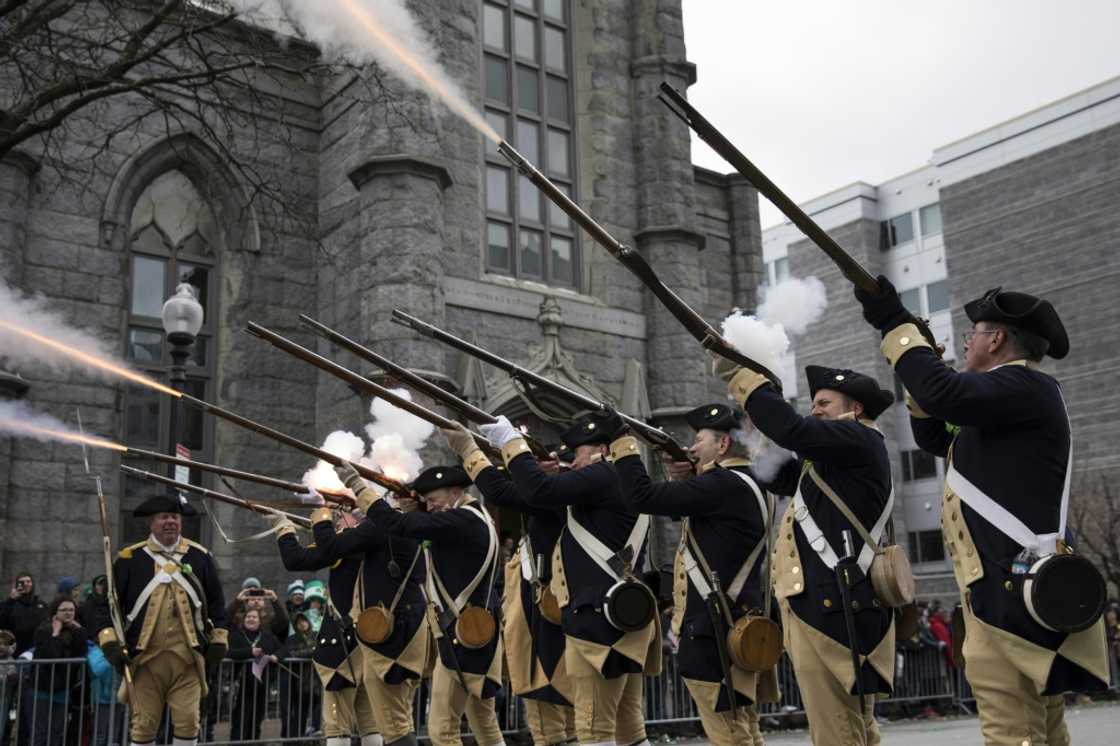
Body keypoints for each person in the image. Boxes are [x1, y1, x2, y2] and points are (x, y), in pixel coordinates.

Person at [855, 282, 1111, 745]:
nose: (966, 343)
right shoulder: (1006, 401)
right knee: (1041, 731)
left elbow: (944, 393)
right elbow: (937, 435)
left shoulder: (1023, 385)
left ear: (996, 339)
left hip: (1010, 591)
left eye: (972, 334)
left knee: (1012, 733)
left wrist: (895, 323)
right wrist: (920, 367)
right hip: (1008, 588)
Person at [716, 359, 897, 745]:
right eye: (814, 403)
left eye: (824, 403)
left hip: (833, 609)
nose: (815, 410)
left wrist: (740, 374)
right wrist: (757, 427)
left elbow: (793, 430)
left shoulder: (858, 438)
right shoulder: (835, 459)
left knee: (835, 731)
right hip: (833, 606)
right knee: (855, 729)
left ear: (855, 409)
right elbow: (780, 477)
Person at [477, 410, 660, 746]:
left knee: (594, 731)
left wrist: (511, 442)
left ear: (603, 450)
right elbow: (538, 490)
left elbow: (538, 490)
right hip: (619, 618)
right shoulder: (624, 479)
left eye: (579, 454)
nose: (573, 463)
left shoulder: (605, 475)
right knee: (629, 732)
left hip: (598, 627)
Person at [613, 403, 772, 746]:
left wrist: (622, 443)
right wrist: (684, 478)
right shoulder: (745, 482)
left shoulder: (721, 484)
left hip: (712, 629)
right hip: (736, 621)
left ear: (723, 444)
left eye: (699, 439)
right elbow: (699, 517)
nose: (692, 447)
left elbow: (641, 496)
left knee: (729, 735)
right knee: (744, 730)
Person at [338, 463, 505, 746]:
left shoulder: (462, 519)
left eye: (433, 500)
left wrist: (358, 485)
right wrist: (415, 510)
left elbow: (399, 525)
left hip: (461, 638)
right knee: (485, 725)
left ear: (455, 492)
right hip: (476, 634)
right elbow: (423, 527)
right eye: (426, 501)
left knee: (442, 730)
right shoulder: (474, 517)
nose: (430, 506)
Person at [443, 422, 577, 746]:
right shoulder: (580, 497)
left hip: (544, 624)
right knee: (575, 726)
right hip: (558, 617)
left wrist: (468, 450)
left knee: (549, 727)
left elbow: (499, 491)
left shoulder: (559, 498)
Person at [277, 500, 427, 746]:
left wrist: (283, 528)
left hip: (342, 644)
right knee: (371, 720)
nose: (338, 520)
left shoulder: (351, 543)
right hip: (372, 643)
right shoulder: (383, 540)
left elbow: (295, 559)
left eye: (342, 515)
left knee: (336, 723)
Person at [97, 492, 227, 746]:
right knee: (143, 725)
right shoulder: (129, 559)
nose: (170, 522)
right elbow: (107, 606)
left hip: (188, 659)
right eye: (164, 517)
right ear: (151, 522)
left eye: (175, 517)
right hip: (145, 660)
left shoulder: (199, 557)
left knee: (189, 721)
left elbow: (216, 603)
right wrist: (109, 640)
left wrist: (219, 637)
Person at [31, 597, 89, 746]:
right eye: (63, 610)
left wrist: (79, 630)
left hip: (63, 689)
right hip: (43, 688)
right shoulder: (44, 630)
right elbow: (52, 656)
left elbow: (81, 652)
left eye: (71, 610)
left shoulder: (75, 631)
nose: (68, 613)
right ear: (55, 612)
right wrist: (55, 633)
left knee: (57, 731)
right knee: (40, 731)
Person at [227, 608, 281, 742]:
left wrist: (276, 656)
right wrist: (249, 652)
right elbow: (228, 653)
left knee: (256, 721)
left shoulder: (267, 636)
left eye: (254, 617)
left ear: (259, 621)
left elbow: (283, 649)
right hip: (241, 687)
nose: (251, 619)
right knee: (240, 722)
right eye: (248, 617)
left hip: (261, 686)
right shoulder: (236, 635)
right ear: (244, 620)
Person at [276, 610, 319, 743]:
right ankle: (297, 740)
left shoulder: (317, 635)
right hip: (300, 682)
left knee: (318, 714)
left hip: (318, 681)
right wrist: (311, 652)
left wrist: (306, 652)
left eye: (304, 620)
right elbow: (291, 653)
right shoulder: (292, 639)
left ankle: (315, 738)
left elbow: (319, 650)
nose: (302, 624)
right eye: (298, 622)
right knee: (300, 714)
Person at [0, 571, 49, 655]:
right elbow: (2, 623)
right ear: (17, 585)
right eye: (22, 582)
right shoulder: (9, 604)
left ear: (32, 584)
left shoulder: (41, 605)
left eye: (28, 581)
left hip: (37, 649)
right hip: (16, 650)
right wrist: (10, 600)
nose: (25, 584)